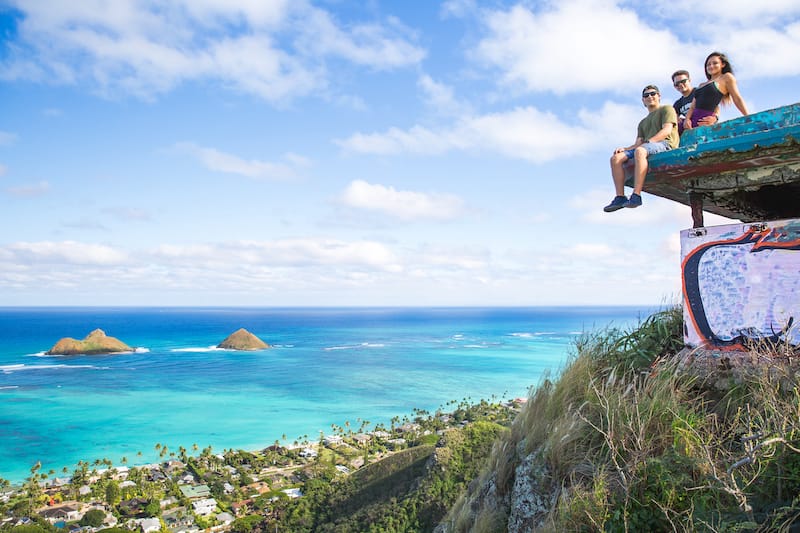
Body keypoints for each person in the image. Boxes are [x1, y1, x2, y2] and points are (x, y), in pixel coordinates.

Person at [604, 85, 679, 212]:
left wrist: (649, 142)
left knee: (640, 151)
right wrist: (625, 148)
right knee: (616, 158)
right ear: (643, 100)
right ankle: (620, 197)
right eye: (646, 95)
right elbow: (637, 143)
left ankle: (636, 195)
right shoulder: (642, 123)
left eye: (653, 94)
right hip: (647, 146)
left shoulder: (667, 109)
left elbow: (666, 130)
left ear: (659, 96)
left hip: (665, 144)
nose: (650, 97)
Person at [684, 52, 749, 131]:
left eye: (715, 63)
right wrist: (686, 119)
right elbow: (693, 107)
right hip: (691, 119)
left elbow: (737, 98)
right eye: (708, 64)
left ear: (723, 64)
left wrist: (748, 116)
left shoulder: (726, 77)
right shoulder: (701, 85)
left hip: (702, 120)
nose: (711, 66)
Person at [671, 69, 717, 135]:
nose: (680, 85)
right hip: (690, 128)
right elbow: (673, 119)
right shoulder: (678, 104)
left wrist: (715, 118)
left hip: (704, 124)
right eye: (677, 84)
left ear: (689, 80)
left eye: (683, 81)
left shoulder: (700, 91)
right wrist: (676, 118)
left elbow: (716, 107)